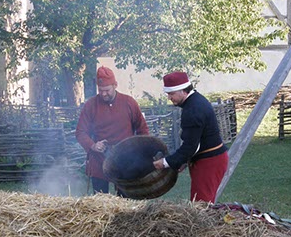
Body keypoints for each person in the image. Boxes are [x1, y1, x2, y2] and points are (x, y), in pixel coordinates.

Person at [153, 71, 228, 203]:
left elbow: (191, 146)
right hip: (210, 159)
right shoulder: (195, 101)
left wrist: (166, 162)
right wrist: (182, 161)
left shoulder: (193, 110)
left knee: (201, 205)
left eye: (171, 93)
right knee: (202, 203)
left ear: (183, 91)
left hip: (209, 162)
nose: (169, 98)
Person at [76, 66, 149, 194]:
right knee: (100, 202)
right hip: (99, 160)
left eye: (107, 90)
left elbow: (142, 129)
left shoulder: (129, 102)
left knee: (126, 200)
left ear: (115, 85)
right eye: (100, 90)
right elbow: (80, 132)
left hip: (125, 160)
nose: (103, 94)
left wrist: (141, 152)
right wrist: (93, 145)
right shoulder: (91, 105)